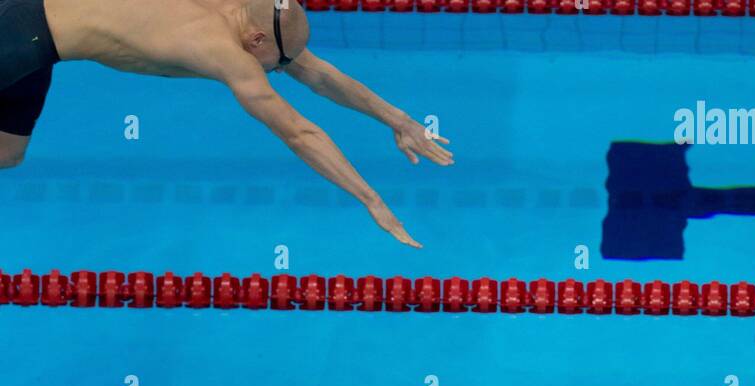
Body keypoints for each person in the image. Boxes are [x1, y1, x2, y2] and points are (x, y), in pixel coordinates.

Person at [0, 0, 452, 244]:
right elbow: (298, 131)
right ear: (257, 40)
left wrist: (399, 120)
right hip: (18, 37)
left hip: (37, 41)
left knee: (7, 154)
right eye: (279, 62)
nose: (283, 69)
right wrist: (370, 199)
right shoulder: (221, 49)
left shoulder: (245, 15)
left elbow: (316, 72)